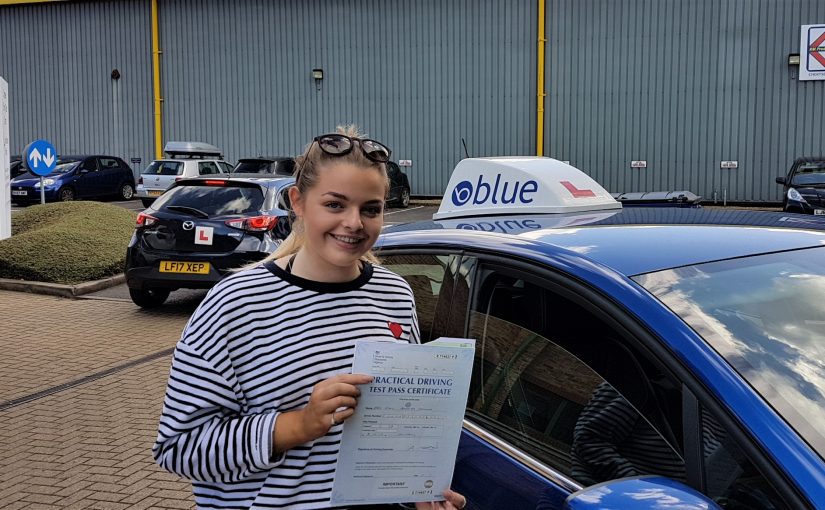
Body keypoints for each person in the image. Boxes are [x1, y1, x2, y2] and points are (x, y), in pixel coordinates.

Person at [153, 126, 467, 510]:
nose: (354, 223)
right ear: (298, 202)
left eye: (371, 209)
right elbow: (180, 448)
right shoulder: (235, 303)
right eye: (335, 205)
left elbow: (397, 431)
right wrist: (298, 425)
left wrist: (417, 493)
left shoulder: (394, 294)